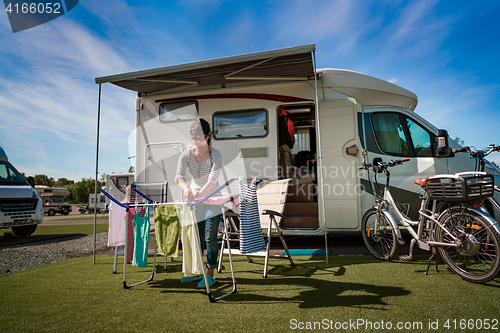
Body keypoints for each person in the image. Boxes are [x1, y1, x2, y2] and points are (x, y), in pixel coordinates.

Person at [175, 118, 223, 288]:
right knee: (197, 238)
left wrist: (197, 196)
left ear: (208, 135)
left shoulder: (215, 155)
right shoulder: (186, 154)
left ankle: (210, 274)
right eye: (194, 138)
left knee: (210, 237)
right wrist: (186, 187)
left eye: (200, 138)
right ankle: (198, 271)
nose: (197, 142)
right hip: (195, 200)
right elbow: (179, 176)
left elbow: (212, 180)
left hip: (213, 199)